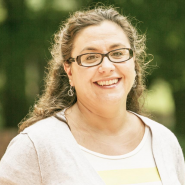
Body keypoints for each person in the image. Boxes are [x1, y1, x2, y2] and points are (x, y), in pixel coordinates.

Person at [0, 6, 184, 185]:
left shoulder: (163, 141)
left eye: (118, 53)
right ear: (69, 71)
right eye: (90, 57)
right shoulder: (36, 146)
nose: (107, 67)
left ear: (133, 62)